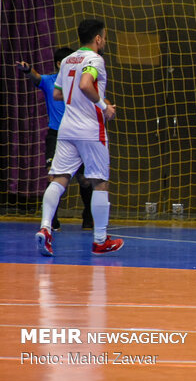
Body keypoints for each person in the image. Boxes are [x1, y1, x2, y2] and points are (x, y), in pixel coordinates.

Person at [35, 19, 124, 256]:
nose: (104, 40)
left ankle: (45, 229)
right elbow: (85, 84)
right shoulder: (95, 59)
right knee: (99, 181)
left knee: (59, 178)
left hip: (66, 129)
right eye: (103, 37)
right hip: (90, 129)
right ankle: (100, 240)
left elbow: (56, 93)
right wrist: (103, 105)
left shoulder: (66, 61)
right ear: (97, 39)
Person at [17, 49, 94, 231]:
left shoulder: (81, 83)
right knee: (54, 177)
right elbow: (37, 78)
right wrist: (28, 71)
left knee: (84, 179)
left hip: (78, 135)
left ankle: (88, 217)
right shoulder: (50, 81)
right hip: (56, 135)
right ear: (60, 64)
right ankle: (51, 220)